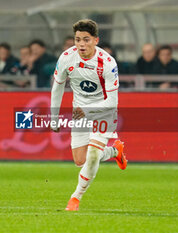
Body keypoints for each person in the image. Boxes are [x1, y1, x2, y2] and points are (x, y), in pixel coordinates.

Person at [50, 19, 127, 211]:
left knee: (93, 154)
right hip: (80, 112)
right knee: (80, 160)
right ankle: (114, 151)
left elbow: (112, 102)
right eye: (77, 40)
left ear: (96, 40)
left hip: (103, 112)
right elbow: (57, 87)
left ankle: (75, 198)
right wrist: (54, 116)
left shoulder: (108, 63)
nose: (81, 44)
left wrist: (88, 111)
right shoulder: (67, 57)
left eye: (86, 40)